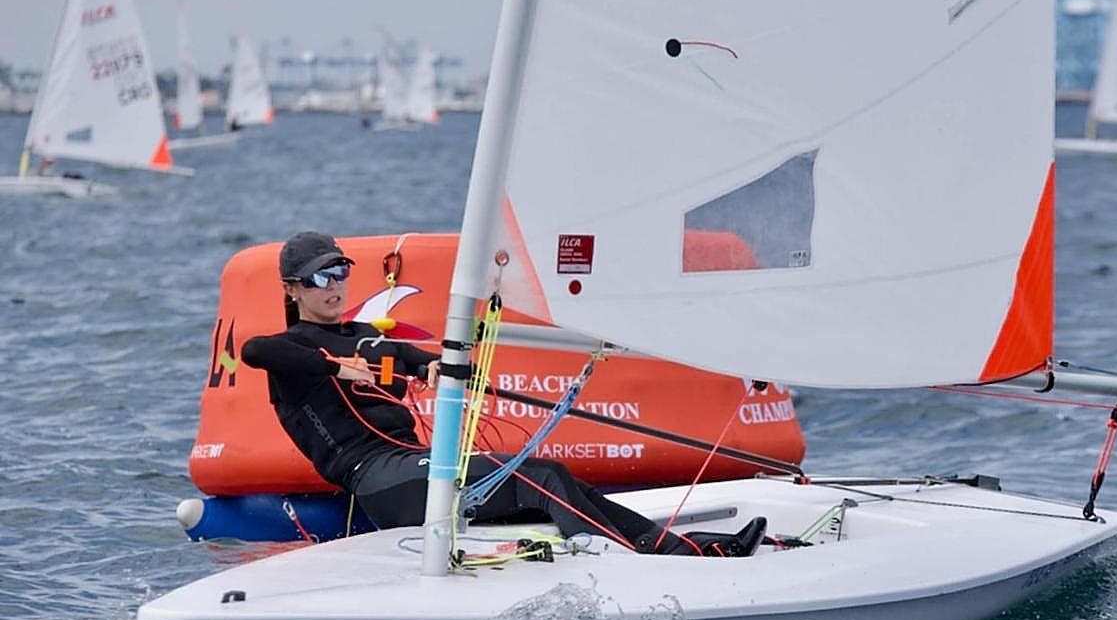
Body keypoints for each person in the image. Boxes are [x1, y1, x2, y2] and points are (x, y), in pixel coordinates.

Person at [241, 231, 766, 557]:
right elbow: (256, 351)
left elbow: (420, 360)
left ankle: (688, 550)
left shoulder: (365, 338)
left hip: (414, 465)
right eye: (318, 278)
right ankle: (640, 558)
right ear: (292, 289)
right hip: (375, 479)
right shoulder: (291, 351)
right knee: (535, 478)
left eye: (341, 271)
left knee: (554, 473)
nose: (333, 285)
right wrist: (335, 367)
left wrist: (445, 369)